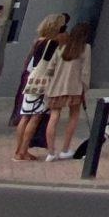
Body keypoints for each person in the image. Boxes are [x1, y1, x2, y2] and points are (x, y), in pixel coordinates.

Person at [12, 14, 66, 161]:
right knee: (35, 117)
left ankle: (18, 150)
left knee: (25, 116)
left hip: (32, 79)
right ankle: (23, 150)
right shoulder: (53, 43)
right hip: (43, 82)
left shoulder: (38, 41)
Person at [44, 22, 93, 161]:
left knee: (53, 117)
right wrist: (85, 87)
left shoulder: (61, 48)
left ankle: (51, 152)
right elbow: (85, 71)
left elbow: (49, 69)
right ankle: (65, 149)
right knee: (73, 116)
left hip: (56, 87)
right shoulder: (85, 48)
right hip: (74, 88)